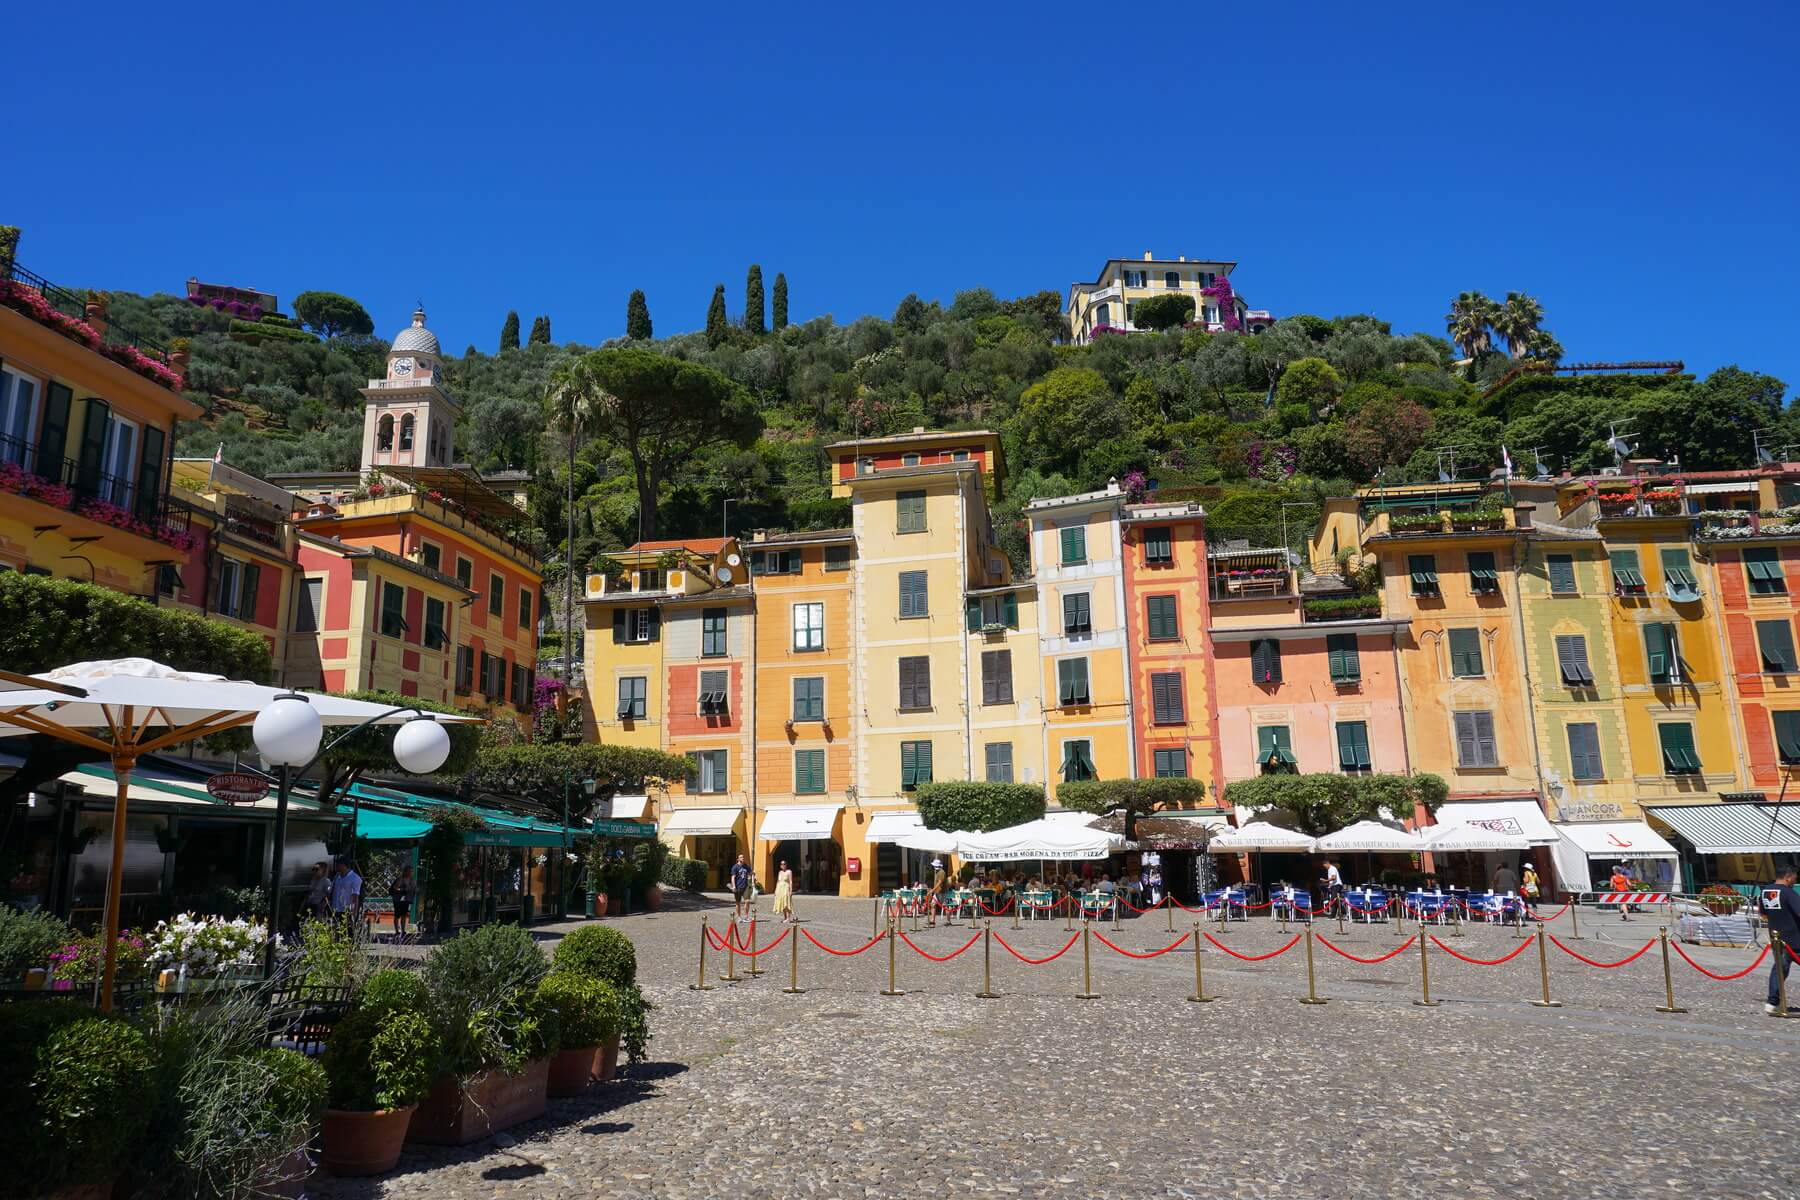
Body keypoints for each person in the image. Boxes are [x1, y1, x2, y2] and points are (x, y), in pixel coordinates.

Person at [1761, 863, 1800, 1015]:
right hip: (1795, 939)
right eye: (1795, 877)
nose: (1795, 880)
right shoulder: (1789, 893)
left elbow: (1763, 914)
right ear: (1788, 877)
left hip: (1777, 938)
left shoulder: (1765, 891)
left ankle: (1772, 1002)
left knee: (1779, 970)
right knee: (1780, 969)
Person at [330, 858, 362, 927]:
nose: (336, 867)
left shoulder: (355, 878)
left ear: (343, 865)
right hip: (335, 908)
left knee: (346, 930)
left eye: (337, 865)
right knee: (335, 929)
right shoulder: (337, 876)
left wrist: (353, 913)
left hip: (346, 910)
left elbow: (355, 897)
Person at [389, 866, 416, 939]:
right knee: (397, 915)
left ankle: (403, 931)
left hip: (405, 899)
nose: (410, 873)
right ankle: (397, 931)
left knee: (404, 915)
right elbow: (395, 887)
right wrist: (402, 890)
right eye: (409, 871)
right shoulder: (401, 879)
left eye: (411, 871)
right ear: (405, 871)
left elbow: (413, 889)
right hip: (398, 899)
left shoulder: (411, 880)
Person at [772, 860, 797, 924]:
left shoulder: (789, 871)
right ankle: (785, 917)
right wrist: (775, 890)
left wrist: (791, 890)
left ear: (786, 865)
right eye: (781, 864)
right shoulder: (780, 872)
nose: (783, 865)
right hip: (780, 889)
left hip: (786, 888)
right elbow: (778, 881)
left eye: (784, 864)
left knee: (787, 902)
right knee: (782, 903)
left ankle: (788, 918)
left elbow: (790, 881)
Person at [730, 854, 753, 919]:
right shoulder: (735, 867)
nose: (743, 858)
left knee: (747, 901)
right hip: (738, 887)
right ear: (738, 859)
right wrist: (734, 886)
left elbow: (751, 873)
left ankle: (746, 916)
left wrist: (752, 880)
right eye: (741, 857)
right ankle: (739, 917)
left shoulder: (746, 866)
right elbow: (733, 877)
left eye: (743, 857)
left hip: (746, 886)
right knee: (738, 903)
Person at [927, 857, 947, 927]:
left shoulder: (942, 872)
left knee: (945, 906)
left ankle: (948, 920)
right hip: (937, 892)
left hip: (942, 892)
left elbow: (939, 882)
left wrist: (932, 890)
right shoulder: (937, 872)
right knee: (933, 904)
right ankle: (932, 920)